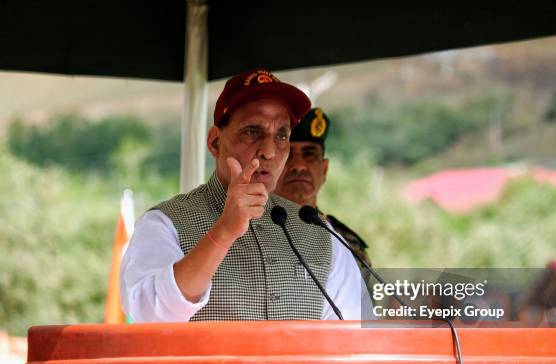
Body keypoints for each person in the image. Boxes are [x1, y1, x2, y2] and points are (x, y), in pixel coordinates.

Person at [120, 69, 370, 322]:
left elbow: (355, 339)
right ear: (215, 142)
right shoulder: (165, 223)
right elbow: (150, 314)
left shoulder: (319, 232)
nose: (269, 151)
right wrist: (223, 233)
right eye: (252, 131)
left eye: (282, 135)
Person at [274, 107, 372, 283]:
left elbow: (362, 309)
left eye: (309, 154)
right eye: (288, 155)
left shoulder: (346, 243)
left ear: (324, 169)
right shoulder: (243, 231)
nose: (298, 165)